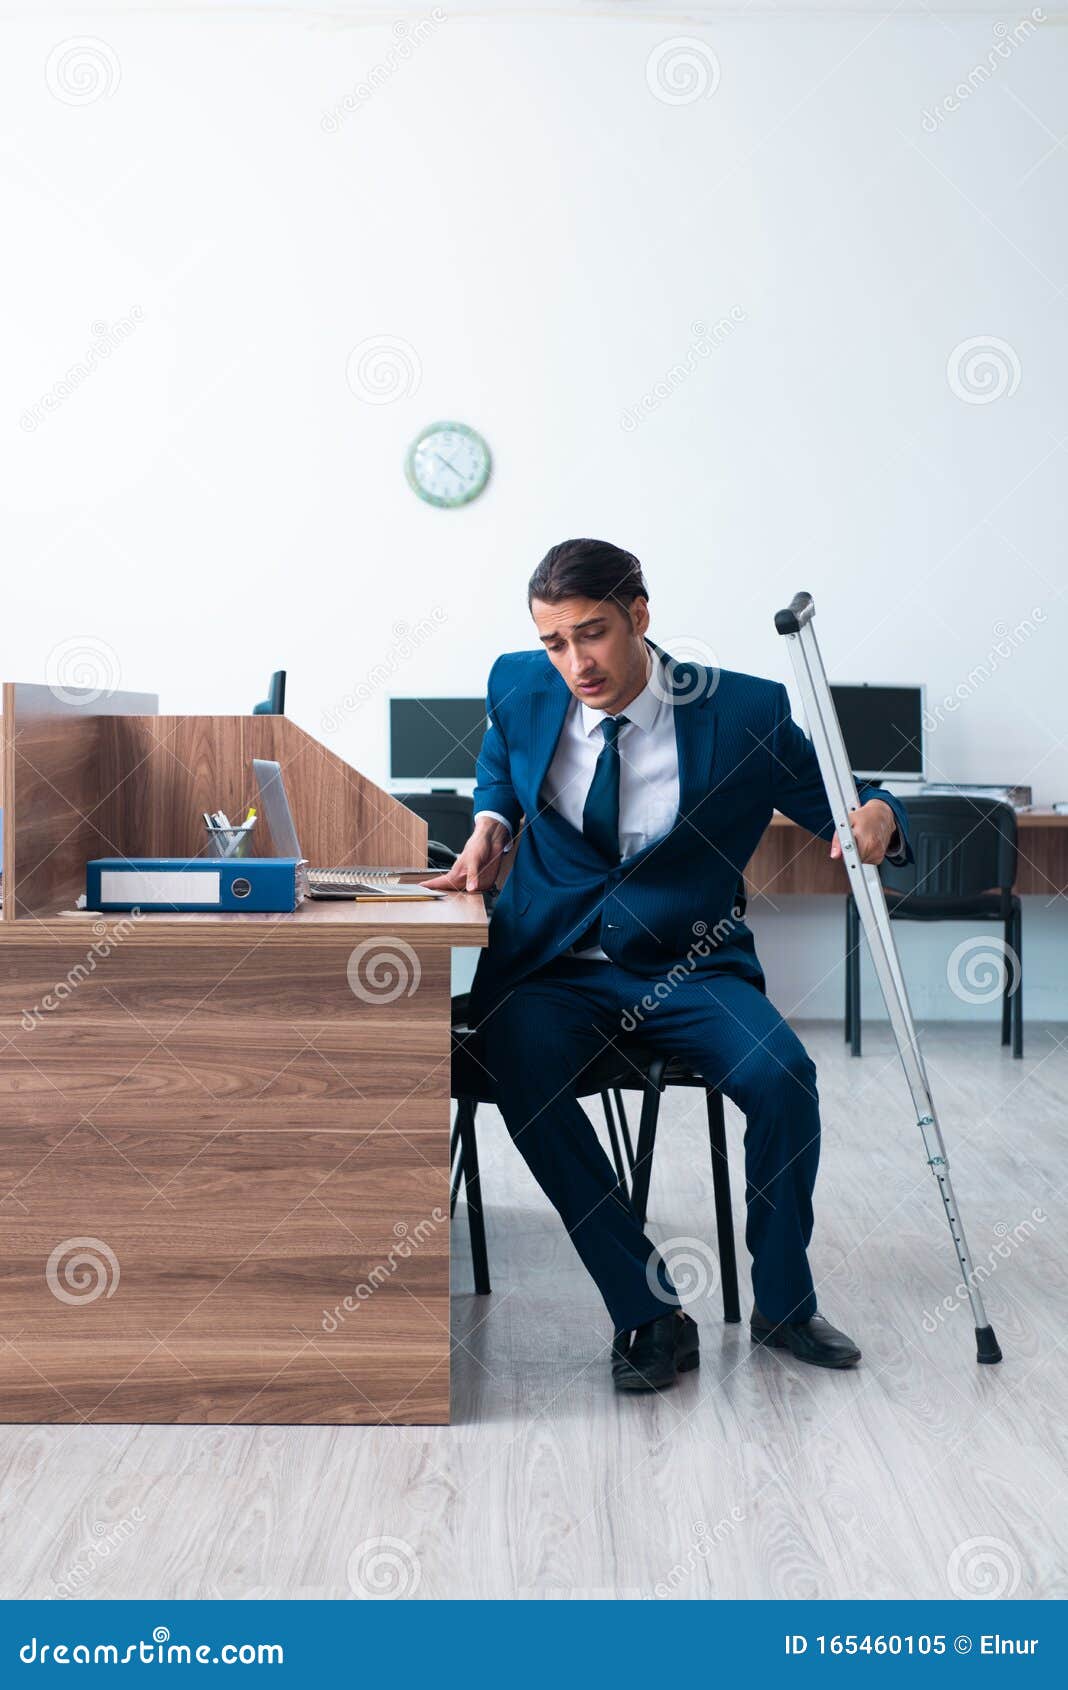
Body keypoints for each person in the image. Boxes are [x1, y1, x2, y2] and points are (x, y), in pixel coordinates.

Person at [424, 539, 912, 1393]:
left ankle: (785, 1306)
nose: (575, 663)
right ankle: (646, 1308)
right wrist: (493, 818)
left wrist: (879, 817)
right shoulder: (519, 682)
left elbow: (847, 799)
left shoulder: (744, 715)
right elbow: (501, 757)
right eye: (556, 643)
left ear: (640, 615)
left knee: (783, 1076)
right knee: (514, 1062)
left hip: (689, 965)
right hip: (553, 965)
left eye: (594, 634)